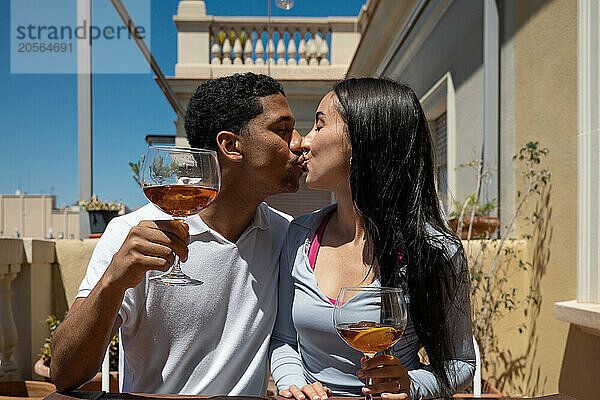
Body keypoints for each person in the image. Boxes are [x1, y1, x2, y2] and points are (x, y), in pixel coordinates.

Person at [51, 73, 306, 395]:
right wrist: (112, 283)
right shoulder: (133, 234)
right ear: (230, 145)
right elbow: (64, 373)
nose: (299, 142)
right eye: (282, 130)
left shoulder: (287, 234)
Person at [269, 78, 475, 400]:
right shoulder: (299, 235)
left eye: (320, 125)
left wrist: (411, 384)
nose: (304, 142)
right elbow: (284, 340)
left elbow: (459, 363)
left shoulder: (436, 252)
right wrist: (294, 384)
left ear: (363, 142)